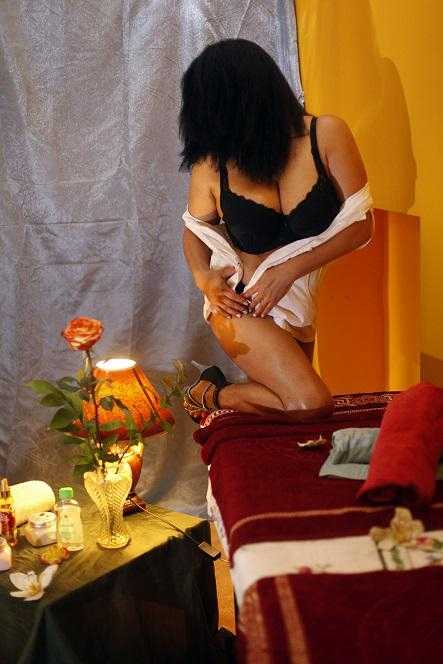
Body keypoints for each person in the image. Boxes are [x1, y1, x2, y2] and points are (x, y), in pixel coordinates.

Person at [179, 39, 373, 422]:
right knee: (310, 403)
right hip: (241, 303)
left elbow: (361, 227)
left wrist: (289, 270)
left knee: (289, 415)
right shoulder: (214, 163)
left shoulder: (326, 134)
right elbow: (194, 231)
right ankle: (213, 396)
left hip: (298, 304)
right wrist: (205, 279)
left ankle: (210, 391)